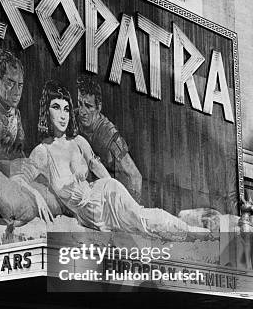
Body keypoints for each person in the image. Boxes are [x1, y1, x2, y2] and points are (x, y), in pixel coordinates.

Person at [14, 80, 205, 236]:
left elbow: (99, 170)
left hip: (106, 195)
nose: (63, 115)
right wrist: (37, 196)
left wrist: (118, 192)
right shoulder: (42, 151)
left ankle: (194, 232)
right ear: (46, 111)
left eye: (66, 109)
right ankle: (192, 231)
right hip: (89, 215)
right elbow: (18, 179)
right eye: (56, 107)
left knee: (143, 219)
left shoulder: (79, 141)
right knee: (141, 226)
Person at [76, 73, 142, 202]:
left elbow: (135, 175)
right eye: (80, 103)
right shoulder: (72, 118)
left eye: (88, 106)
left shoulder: (111, 135)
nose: (82, 111)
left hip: (108, 195)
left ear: (98, 107)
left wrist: (134, 210)